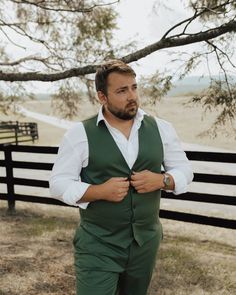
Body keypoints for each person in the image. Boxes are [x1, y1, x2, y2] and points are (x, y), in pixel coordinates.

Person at [49, 59, 193, 295]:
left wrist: (162, 180)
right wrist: (99, 192)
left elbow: (185, 170)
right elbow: (58, 184)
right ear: (102, 97)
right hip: (98, 245)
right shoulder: (79, 134)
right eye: (122, 91)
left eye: (134, 87)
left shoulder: (162, 128)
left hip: (145, 244)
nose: (132, 96)